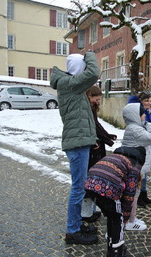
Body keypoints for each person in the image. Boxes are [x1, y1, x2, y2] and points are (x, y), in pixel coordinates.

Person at [50, 52, 100, 245]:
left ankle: (77, 224)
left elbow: (84, 117)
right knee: (78, 189)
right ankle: (72, 231)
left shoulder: (73, 86)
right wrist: (90, 55)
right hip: (76, 144)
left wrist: (91, 138)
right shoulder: (69, 84)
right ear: (79, 68)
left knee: (80, 187)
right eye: (83, 66)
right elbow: (94, 72)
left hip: (81, 141)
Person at [84, 146, 146, 257]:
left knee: (112, 216)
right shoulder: (135, 166)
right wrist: (126, 217)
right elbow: (129, 195)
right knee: (118, 219)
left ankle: (112, 247)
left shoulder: (116, 156)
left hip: (89, 184)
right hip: (107, 189)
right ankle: (116, 256)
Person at [81, 85, 117, 224]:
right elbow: (91, 128)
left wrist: (107, 136)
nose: (98, 102)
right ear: (89, 96)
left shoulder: (91, 108)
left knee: (95, 179)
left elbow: (97, 125)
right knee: (89, 181)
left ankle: (91, 210)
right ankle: (85, 214)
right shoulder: (84, 110)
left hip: (96, 149)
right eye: (96, 99)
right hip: (90, 151)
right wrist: (105, 139)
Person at [121, 103, 151, 231]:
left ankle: (131, 218)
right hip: (135, 167)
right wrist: (148, 124)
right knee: (132, 194)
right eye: (142, 114)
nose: (144, 116)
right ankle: (129, 221)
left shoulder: (134, 127)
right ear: (136, 116)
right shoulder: (135, 129)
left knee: (134, 194)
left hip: (136, 166)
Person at [127, 91, 151, 207]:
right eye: (146, 100)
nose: (149, 103)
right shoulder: (138, 112)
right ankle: (136, 196)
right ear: (141, 101)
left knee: (145, 172)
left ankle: (143, 194)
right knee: (139, 172)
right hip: (141, 144)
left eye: (150, 100)